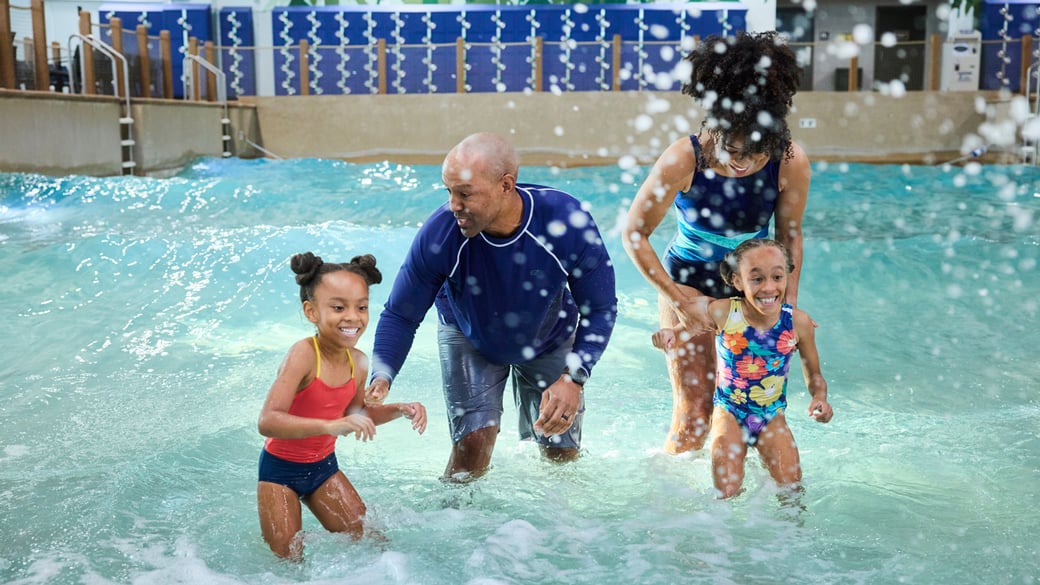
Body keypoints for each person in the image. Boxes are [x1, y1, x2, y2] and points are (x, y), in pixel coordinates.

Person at [364, 132, 618, 482]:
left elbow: (601, 308)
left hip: (549, 333)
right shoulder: (441, 234)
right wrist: (382, 373)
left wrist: (573, 376)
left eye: (465, 193)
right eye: (448, 192)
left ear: (505, 185)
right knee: (471, 450)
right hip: (469, 332)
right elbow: (401, 314)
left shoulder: (564, 222)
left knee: (560, 452)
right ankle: (453, 526)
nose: (453, 205)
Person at [622, 30, 811, 455]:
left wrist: (785, 309)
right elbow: (635, 233)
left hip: (752, 288)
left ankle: (740, 511)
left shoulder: (789, 160)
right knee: (695, 414)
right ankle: (674, 510)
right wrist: (677, 301)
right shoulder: (684, 158)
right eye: (734, 151)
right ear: (715, 127)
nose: (744, 164)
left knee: (754, 409)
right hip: (686, 282)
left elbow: (790, 237)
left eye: (757, 154)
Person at [257, 252, 427, 560]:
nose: (353, 317)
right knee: (289, 561)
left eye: (361, 307)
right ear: (311, 311)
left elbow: (354, 414)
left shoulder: (358, 361)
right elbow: (268, 421)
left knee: (374, 545)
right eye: (338, 307)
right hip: (279, 473)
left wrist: (401, 409)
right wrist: (329, 426)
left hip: (324, 469)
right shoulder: (304, 355)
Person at [652, 239, 831, 498]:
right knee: (726, 492)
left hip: (772, 416)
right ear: (737, 281)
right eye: (756, 279)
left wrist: (820, 397)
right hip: (729, 413)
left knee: (792, 490)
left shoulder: (797, 323)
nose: (769, 287)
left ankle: (791, 539)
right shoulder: (725, 313)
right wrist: (667, 337)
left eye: (777, 277)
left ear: (787, 277)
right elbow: (681, 333)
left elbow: (814, 375)